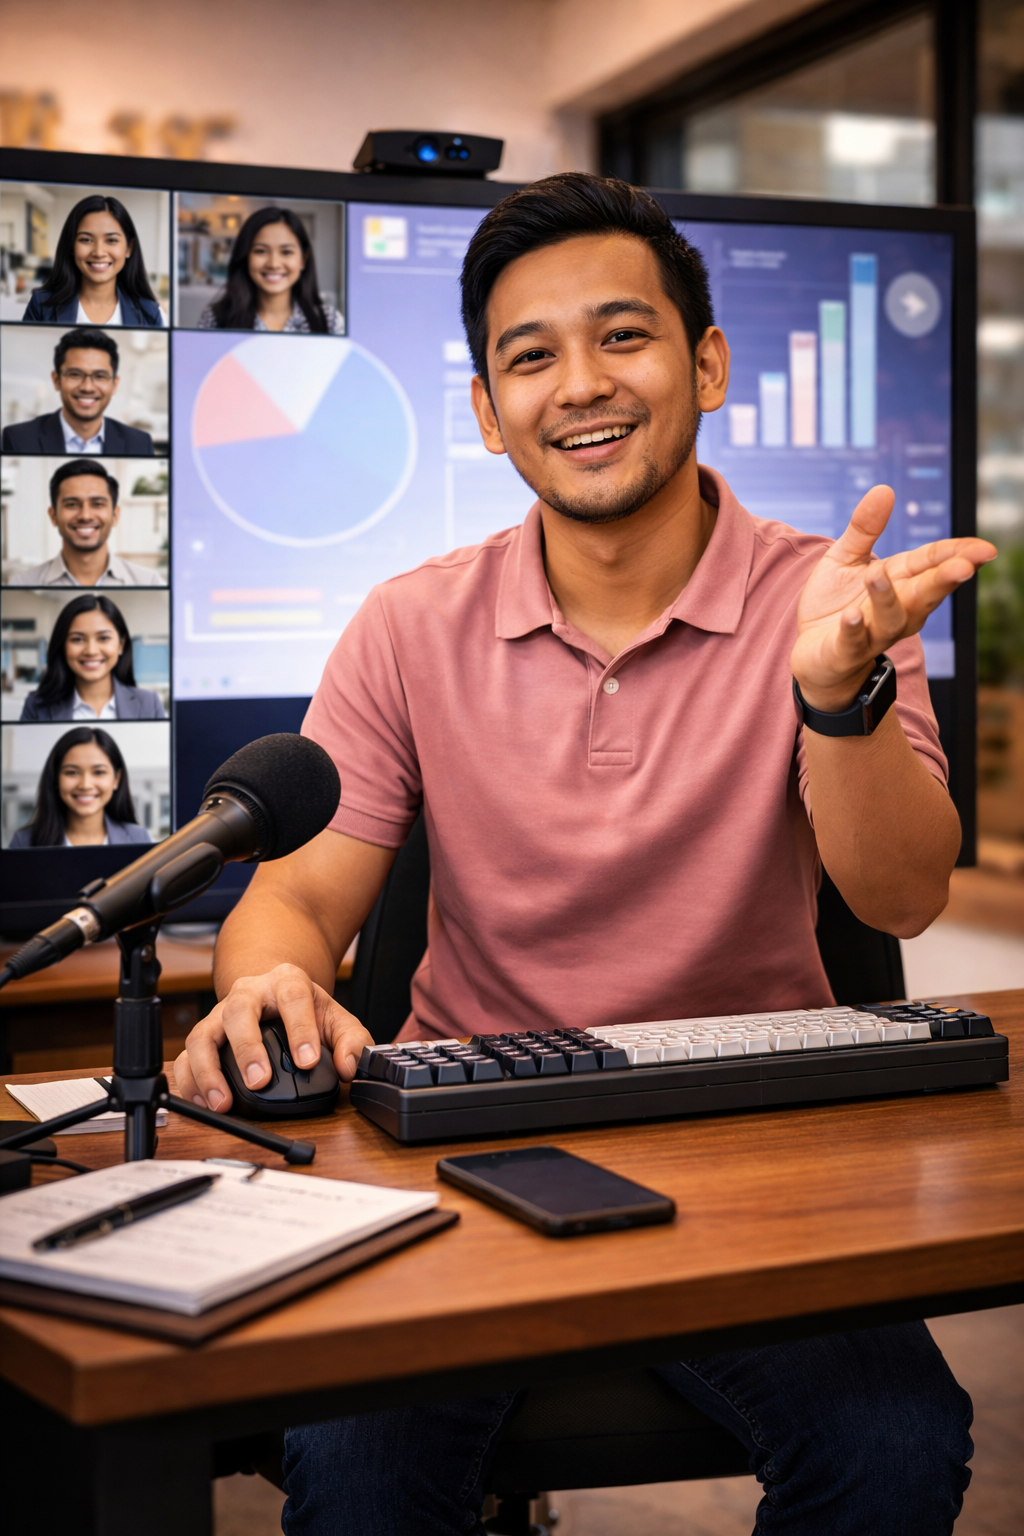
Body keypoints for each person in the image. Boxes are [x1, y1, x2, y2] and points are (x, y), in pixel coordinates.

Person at [176, 175, 990, 1536]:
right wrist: (265, 980)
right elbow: (301, 898)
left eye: (624, 335)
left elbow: (900, 892)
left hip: (754, 1162)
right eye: (530, 355)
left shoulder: (834, 605)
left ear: (707, 363)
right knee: (360, 1475)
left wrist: (832, 693)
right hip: (461, 1158)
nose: (581, 386)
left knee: (898, 1448)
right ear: (489, 413)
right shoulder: (407, 627)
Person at [8, 460, 164, 587]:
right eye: (72, 504)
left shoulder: (150, 582)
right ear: (53, 516)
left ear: (115, 515)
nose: (85, 516)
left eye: (97, 504)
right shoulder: (21, 583)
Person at [2, 328, 156, 455]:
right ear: (56, 380)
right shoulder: (18, 439)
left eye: (100, 376)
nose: (87, 387)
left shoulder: (139, 443)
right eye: (75, 375)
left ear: (114, 385)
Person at [21, 194, 165, 327]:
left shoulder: (149, 313)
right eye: (86, 240)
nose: (98, 252)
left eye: (111, 240)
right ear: (71, 245)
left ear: (129, 248)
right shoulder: (41, 304)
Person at [20, 593, 166, 722]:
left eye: (103, 638)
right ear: (63, 646)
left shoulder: (149, 704)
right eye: (77, 639)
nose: (91, 651)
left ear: (121, 644)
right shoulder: (36, 707)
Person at [197, 206, 343, 333]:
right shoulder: (217, 320)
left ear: (303, 259)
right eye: (260, 251)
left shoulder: (329, 322)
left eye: (286, 252)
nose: (273, 264)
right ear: (246, 256)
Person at [9, 726, 152, 848]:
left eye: (98, 772)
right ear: (55, 779)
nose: (85, 785)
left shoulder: (139, 838)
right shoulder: (24, 842)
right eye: (72, 772)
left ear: (116, 779)